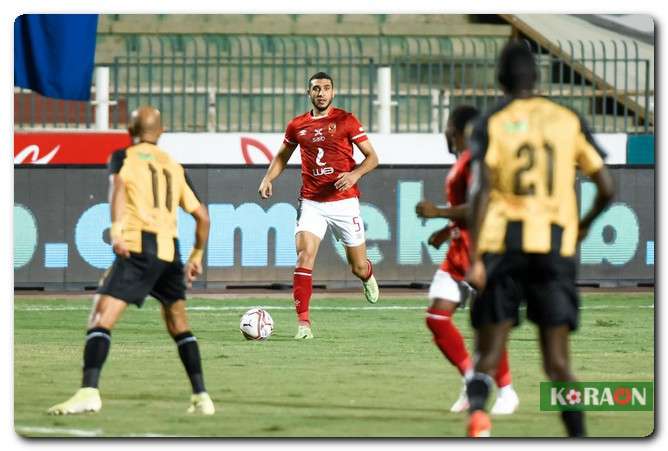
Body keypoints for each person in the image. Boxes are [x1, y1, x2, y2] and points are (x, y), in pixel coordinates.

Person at [464, 41, 614, 437]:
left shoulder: (492, 121)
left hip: (503, 247)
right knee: (559, 364)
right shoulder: (567, 118)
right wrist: (583, 225)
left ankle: (479, 416)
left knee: (487, 354)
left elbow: (480, 190)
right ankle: (579, 437)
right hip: (554, 250)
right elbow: (607, 187)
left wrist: (476, 255)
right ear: (538, 76)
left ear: (499, 78)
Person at [48, 106, 215, 416]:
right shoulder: (174, 166)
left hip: (139, 246)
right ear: (161, 132)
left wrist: (116, 231)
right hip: (170, 252)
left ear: (130, 131)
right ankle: (202, 397)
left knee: (101, 317)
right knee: (179, 324)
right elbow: (203, 217)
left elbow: (119, 189)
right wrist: (196, 256)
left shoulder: (123, 156)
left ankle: (88, 392)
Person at [258, 72, 380, 339]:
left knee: (357, 266)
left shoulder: (346, 120)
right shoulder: (297, 125)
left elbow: (372, 158)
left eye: (326, 88)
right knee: (304, 256)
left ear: (333, 93)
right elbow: (282, 156)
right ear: (309, 93)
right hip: (312, 202)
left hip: (344, 203)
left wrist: (354, 174)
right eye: (316, 89)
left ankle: (367, 274)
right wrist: (268, 177)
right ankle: (304, 324)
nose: (321, 93)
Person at [416, 105, 519, 415]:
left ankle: (506, 392)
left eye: (449, 126)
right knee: (436, 316)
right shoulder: (463, 161)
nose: (445, 132)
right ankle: (474, 379)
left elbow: (480, 207)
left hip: (484, 253)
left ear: (460, 131)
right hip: (459, 251)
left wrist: (439, 213)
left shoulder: (475, 161)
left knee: (486, 324)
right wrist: (447, 231)